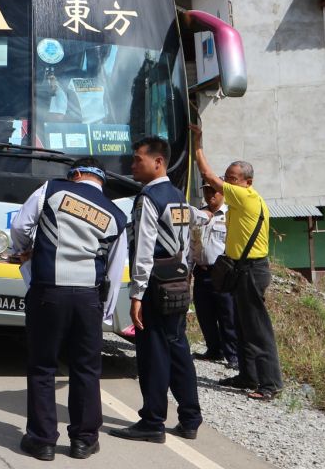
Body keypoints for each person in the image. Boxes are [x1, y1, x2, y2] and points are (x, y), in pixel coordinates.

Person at [10, 157, 128, 461]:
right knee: (86, 369)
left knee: (42, 366)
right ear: (101, 180)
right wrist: (105, 310)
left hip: (48, 291)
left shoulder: (51, 190)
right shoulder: (116, 214)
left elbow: (21, 226)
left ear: (74, 174)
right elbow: (115, 271)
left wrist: (25, 253)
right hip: (89, 299)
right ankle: (84, 441)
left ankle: (42, 440)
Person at [111, 136, 200, 444]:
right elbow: (187, 246)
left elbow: (144, 250)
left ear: (157, 162)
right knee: (178, 351)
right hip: (178, 284)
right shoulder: (178, 196)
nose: (132, 164)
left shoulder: (148, 198)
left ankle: (152, 421)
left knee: (152, 355)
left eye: (138, 159)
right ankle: (190, 418)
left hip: (154, 287)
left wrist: (136, 294)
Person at [191, 125, 283, 401]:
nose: (228, 183)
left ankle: (270, 384)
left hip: (252, 270)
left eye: (233, 179)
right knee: (242, 325)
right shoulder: (239, 200)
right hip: (241, 270)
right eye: (227, 178)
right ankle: (247, 375)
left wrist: (197, 145)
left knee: (257, 328)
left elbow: (207, 174)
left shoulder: (246, 198)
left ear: (248, 182)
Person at [190, 181, 238, 369]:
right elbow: (192, 244)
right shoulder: (199, 214)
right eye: (207, 191)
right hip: (201, 272)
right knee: (205, 314)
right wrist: (188, 271)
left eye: (214, 191)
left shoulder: (230, 215)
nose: (210, 195)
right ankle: (213, 349)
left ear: (222, 193)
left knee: (227, 315)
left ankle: (232, 355)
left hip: (222, 274)